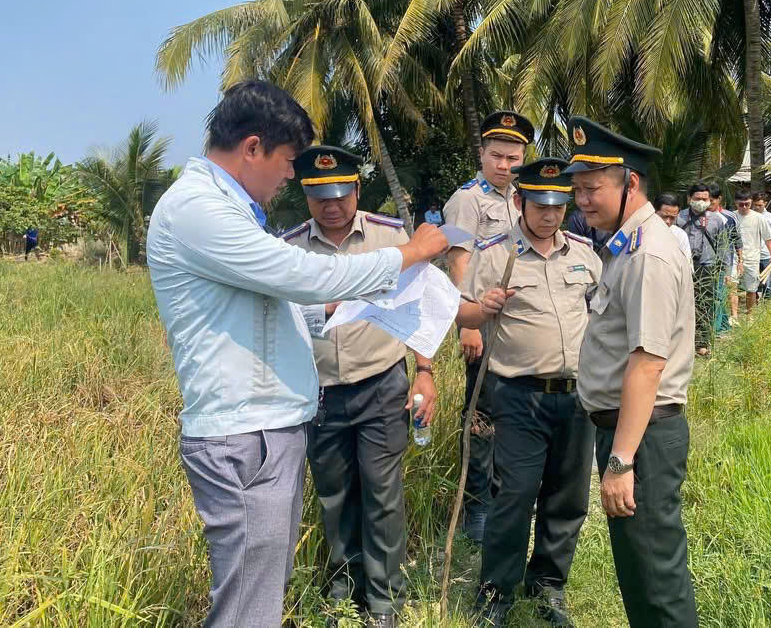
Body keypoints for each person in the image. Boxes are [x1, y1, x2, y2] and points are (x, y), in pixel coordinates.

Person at [145, 81, 448, 628]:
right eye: (288, 162)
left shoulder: (229, 211)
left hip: (270, 427)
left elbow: (274, 304)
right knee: (246, 607)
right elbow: (303, 275)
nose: (290, 176)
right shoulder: (198, 210)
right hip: (245, 435)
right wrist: (411, 253)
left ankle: (381, 602)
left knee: (261, 592)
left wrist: (338, 310)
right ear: (253, 148)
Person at [283, 146, 437, 628]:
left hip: (380, 384)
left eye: (340, 193)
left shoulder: (389, 239)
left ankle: (385, 600)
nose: (331, 205)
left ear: (356, 188)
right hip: (321, 392)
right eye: (319, 196)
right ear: (305, 195)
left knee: (382, 492)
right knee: (334, 494)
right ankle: (343, 591)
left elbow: (421, 307)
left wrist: (426, 372)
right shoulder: (288, 250)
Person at [565, 116, 698, 628]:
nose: (581, 201)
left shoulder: (648, 254)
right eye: (577, 190)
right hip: (626, 431)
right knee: (640, 572)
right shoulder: (623, 246)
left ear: (631, 184)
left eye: (591, 189)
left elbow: (647, 364)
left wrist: (620, 462)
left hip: (639, 436)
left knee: (656, 577)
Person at [458, 158, 602, 628]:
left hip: (578, 396)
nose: (550, 215)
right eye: (540, 204)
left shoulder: (582, 253)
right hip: (520, 395)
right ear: (520, 202)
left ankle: (548, 586)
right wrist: (482, 308)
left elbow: (604, 309)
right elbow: (461, 314)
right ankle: (496, 592)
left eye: (558, 204)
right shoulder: (497, 252)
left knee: (569, 495)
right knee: (515, 495)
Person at [442, 110, 534, 543]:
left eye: (513, 157)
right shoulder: (468, 199)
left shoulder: (521, 198)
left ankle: (505, 498)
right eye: (496, 155)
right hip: (482, 320)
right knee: (481, 415)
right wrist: (468, 322)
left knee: (512, 412)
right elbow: (458, 260)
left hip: (515, 324)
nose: (504, 165)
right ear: (481, 154)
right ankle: (476, 507)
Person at [675, 184, 737, 356]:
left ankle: (701, 343)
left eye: (705, 199)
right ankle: (681, 342)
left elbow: (724, 246)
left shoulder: (717, 219)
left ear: (710, 200)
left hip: (707, 267)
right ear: (689, 199)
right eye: (697, 199)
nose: (701, 202)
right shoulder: (678, 218)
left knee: (704, 304)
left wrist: (726, 272)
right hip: (682, 267)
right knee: (681, 304)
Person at [733, 190, 771, 315]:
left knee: (751, 289)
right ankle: (734, 316)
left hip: (752, 258)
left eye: (747, 204)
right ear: (735, 203)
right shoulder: (731, 216)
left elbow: (768, 238)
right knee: (732, 288)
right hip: (733, 259)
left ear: (751, 202)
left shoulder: (758, 218)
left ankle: (750, 316)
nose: (744, 207)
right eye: (740, 204)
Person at [708, 185, 740, 327]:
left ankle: (720, 326)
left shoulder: (729, 217)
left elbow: (737, 239)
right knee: (713, 294)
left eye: (711, 200)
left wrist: (740, 261)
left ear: (719, 199)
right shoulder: (699, 216)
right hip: (706, 262)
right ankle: (722, 324)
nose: (708, 204)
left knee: (722, 293)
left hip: (725, 262)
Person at [654, 194, 691, 263]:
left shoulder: (680, 235)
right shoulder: (643, 231)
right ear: (655, 211)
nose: (668, 221)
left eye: (672, 217)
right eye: (664, 216)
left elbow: (687, 263)